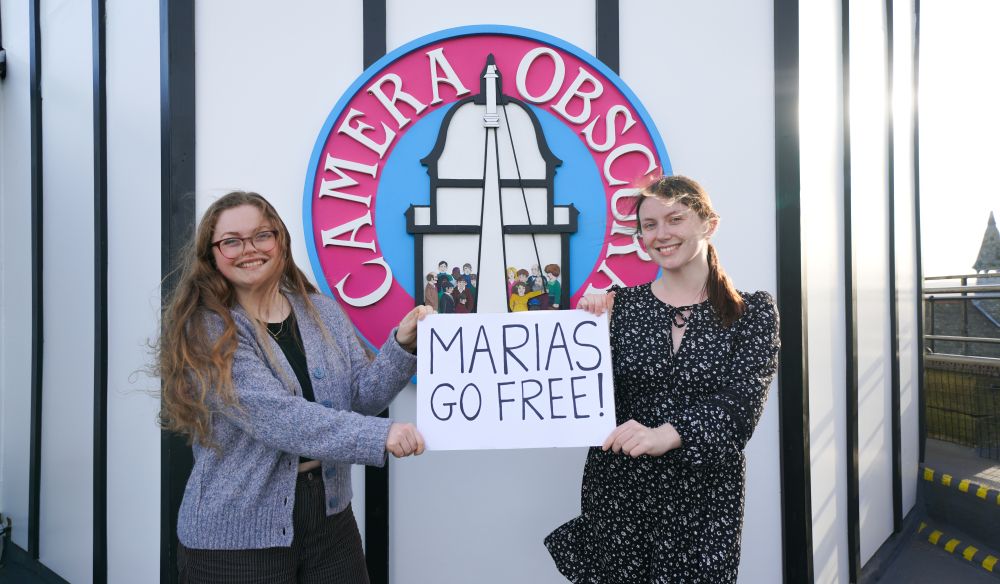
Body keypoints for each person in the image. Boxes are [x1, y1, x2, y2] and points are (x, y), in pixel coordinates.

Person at [157, 191, 432, 584]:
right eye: (232, 241)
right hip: (237, 537)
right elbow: (279, 419)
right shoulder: (207, 329)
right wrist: (381, 435)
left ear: (280, 240)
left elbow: (361, 397)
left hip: (330, 518)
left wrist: (403, 345)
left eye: (261, 236)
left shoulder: (321, 311)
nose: (249, 250)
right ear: (212, 254)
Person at [544, 176, 779, 583]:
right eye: (650, 225)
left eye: (675, 219)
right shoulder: (619, 307)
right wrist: (585, 334)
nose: (662, 234)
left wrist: (665, 434)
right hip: (618, 498)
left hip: (702, 505)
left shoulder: (752, 313)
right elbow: (577, 397)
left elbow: (740, 408)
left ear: (709, 224)